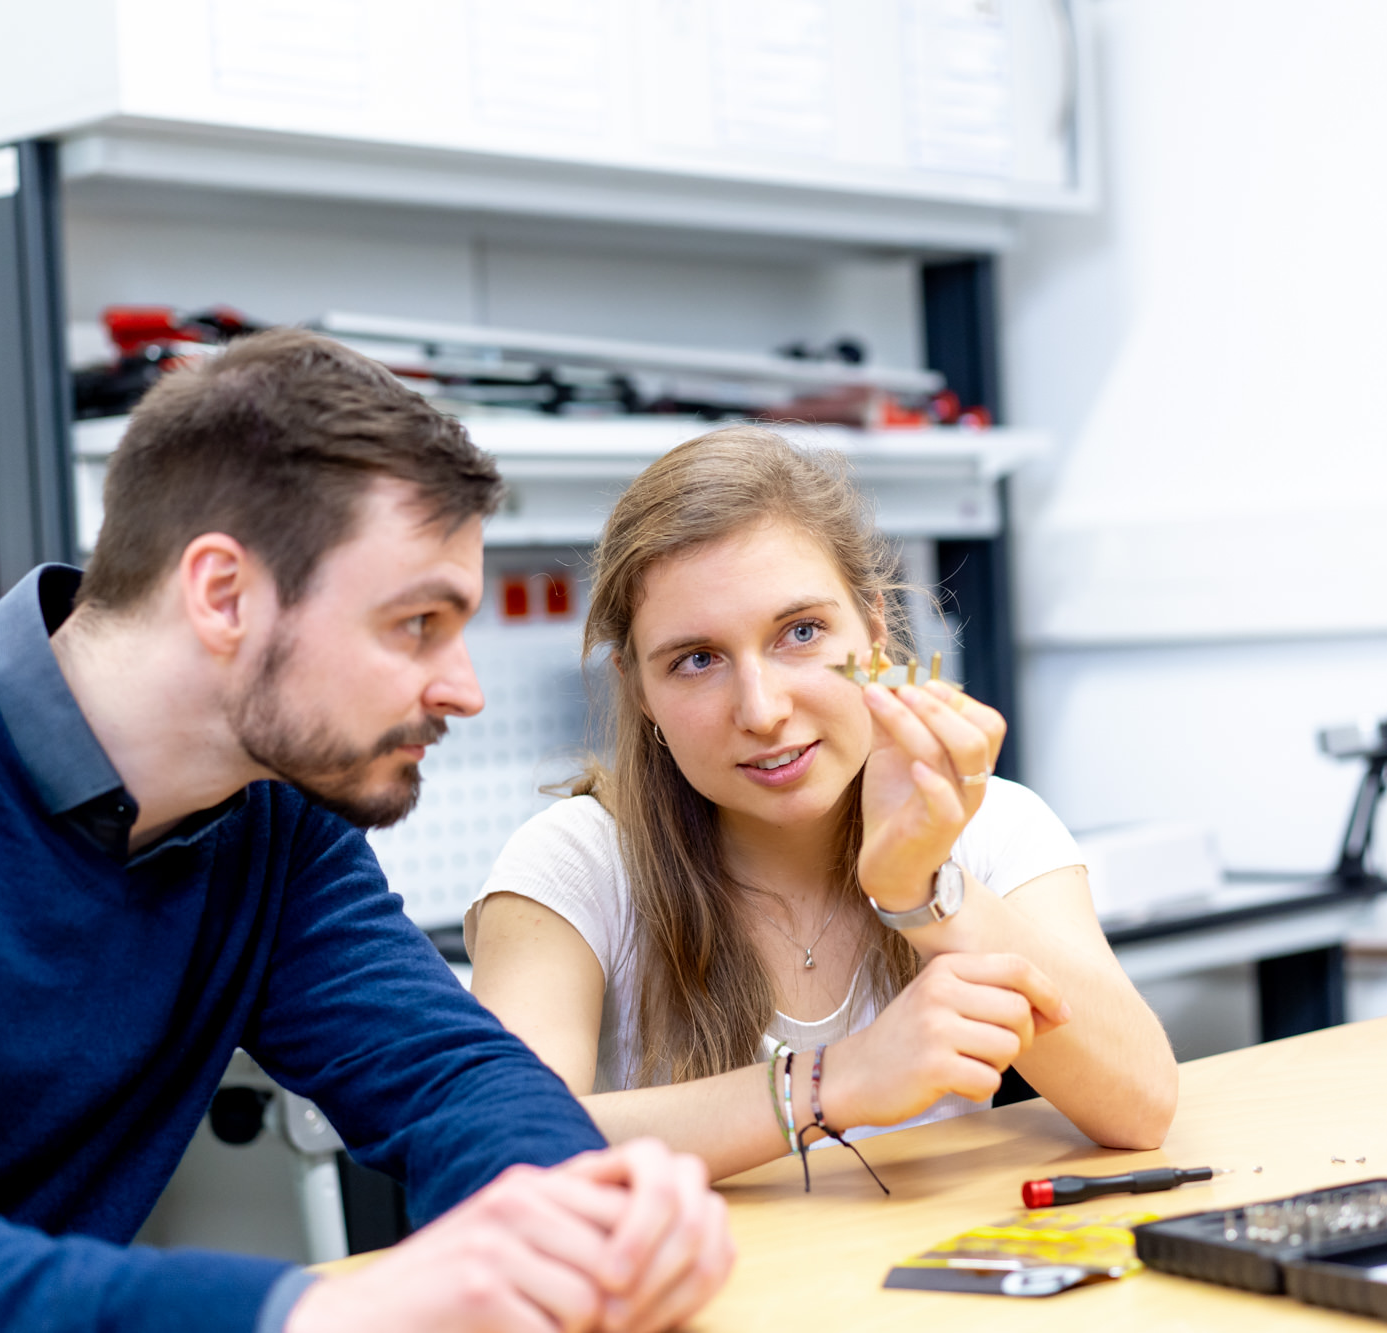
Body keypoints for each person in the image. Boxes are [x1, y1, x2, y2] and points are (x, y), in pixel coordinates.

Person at [0, 330, 732, 1333]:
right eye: (417, 623)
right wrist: (310, 1314)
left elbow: (444, 1075)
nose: (464, 689)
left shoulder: (270, 819)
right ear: (223, 594)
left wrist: (584, 1216)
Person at [467, 427, 1177, 1183]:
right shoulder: (574, 863)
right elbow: (505, 1147)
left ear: (873, 632)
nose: (763, 709)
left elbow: (1141, 1103)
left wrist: (920, 889)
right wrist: (829, 1081)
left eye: (800, 632)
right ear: (638, 689)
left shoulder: (989, 825)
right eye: (697, 660)